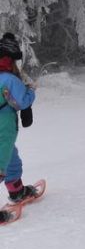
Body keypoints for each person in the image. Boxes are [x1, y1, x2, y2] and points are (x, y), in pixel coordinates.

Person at [0, 33, 37, 223]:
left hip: (5, 131)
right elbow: (22, 101)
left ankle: (16, 192)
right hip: (3, 129)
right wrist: (31, 92)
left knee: (11, 160)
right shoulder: (9, 79)